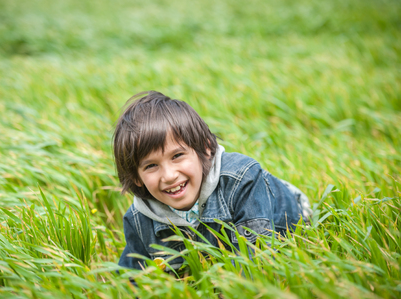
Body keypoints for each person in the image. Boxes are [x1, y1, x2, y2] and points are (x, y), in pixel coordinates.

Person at [113, 91, 312, 271]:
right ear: (136, 177)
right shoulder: (138, 219)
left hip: (282, 212)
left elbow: (256, 260)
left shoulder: (243, 181)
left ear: (206, 150)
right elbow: (132, 280)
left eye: (177, 156)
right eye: (151, 166)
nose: (169, 175)